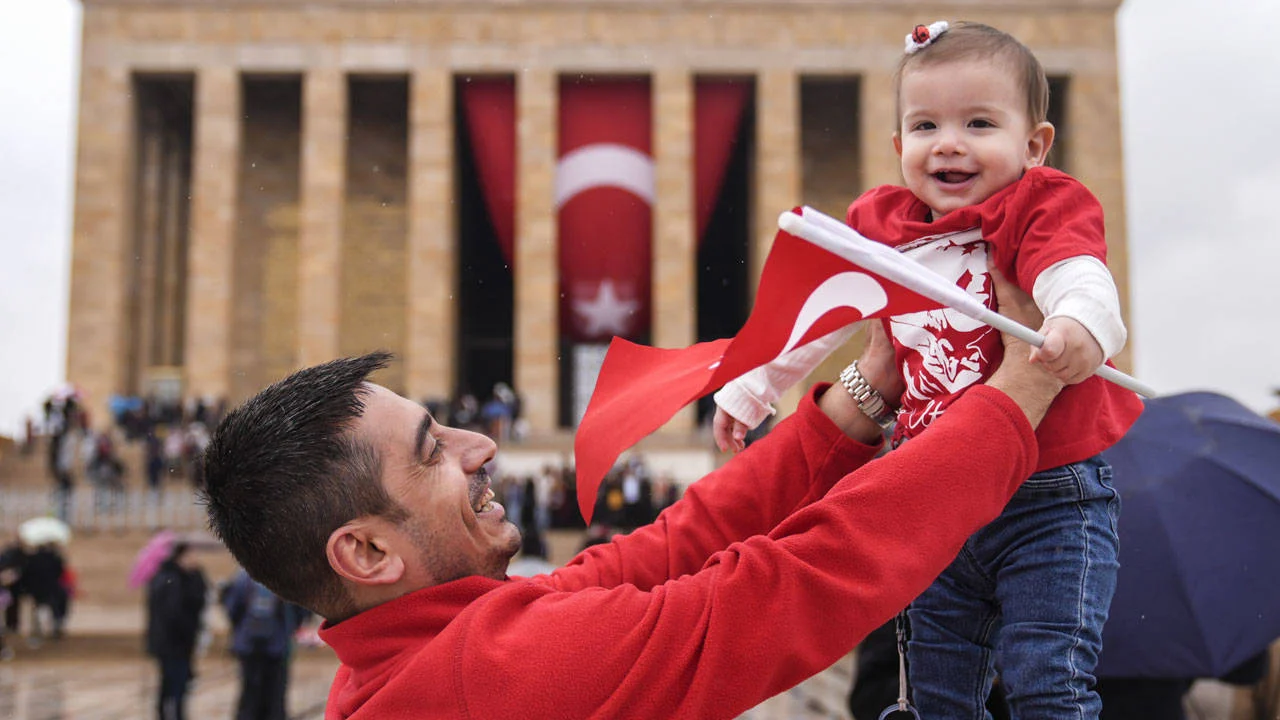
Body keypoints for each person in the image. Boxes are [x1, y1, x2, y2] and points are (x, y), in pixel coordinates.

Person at [198, 269, 1064, 719]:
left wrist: (862, 394)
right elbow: (787, 587)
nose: (481, 446)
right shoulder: (496, 678)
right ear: (366, 551)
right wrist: (1016, 401)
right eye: (432, 453)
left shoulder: (423, 654)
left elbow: (668, 549)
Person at [712, 21, 1144, 719]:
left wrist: (1078, 324)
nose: (948, 142)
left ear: (1034, 146)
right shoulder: (885, 228)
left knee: (1047, 679)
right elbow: (821, 312)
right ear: (898, 147)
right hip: (934, 487)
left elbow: (1077, 270)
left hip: (1047, 494)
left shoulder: (1039, 204)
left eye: (978, 123)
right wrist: (754, 385)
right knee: (935, 689)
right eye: (925, 125)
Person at [222, 568, 307, 720]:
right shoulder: (286, 578)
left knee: (250, 693)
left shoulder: (243, 577)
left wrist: (240, 631)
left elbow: (233, 609)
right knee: (275, 694)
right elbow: (299, 610)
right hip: (277, 645)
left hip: (249, 645)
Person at [146, 541, 208, 720]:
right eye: (191, 555)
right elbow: (173, 613)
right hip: (172, 643)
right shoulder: (170, 579)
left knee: (175, 683)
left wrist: (197, 575)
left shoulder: (186, 577)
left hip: (180, 643)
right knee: (173, 684)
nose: (195, 559)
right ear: (181, 557)